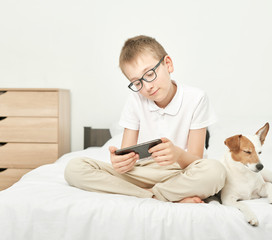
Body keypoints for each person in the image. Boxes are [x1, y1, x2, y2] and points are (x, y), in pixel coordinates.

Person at [64, 35, 226, 203]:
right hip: (142, 172)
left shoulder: (196, 98)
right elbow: (127, 153)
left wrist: (177, 154)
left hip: (180, 172)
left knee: (216, 172)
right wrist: (121, 163)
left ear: (168, 64)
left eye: (149, 74)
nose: (147, 86)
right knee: (74, 168)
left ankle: (143, 193)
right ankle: (156, 195)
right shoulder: (135, 100)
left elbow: (196, 159)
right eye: (137, 83)